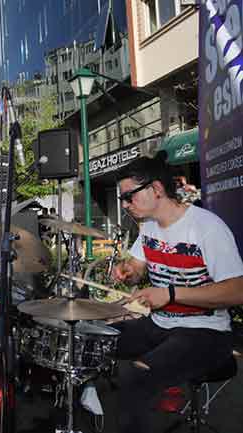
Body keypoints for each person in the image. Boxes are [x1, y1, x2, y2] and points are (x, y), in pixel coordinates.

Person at [110, 151, 243, 433]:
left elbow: (238, 291)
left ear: (156, 189)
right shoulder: (148, 229)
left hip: (206, 332)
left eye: (129, 196)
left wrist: (171, 294)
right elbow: (136, 265)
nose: (124, 205)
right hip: (159, 325)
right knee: (94, 339)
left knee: (136, 377)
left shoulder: (206, 227)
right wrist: (128, 270)